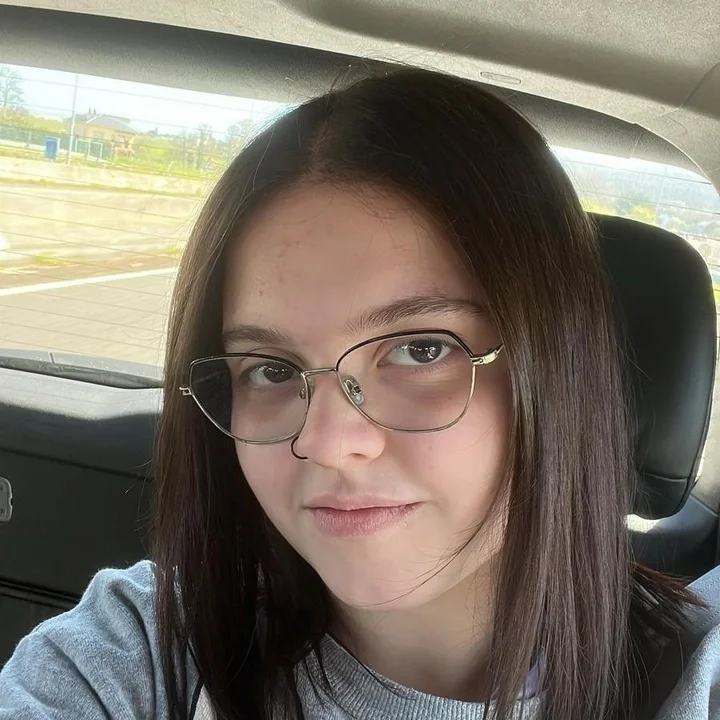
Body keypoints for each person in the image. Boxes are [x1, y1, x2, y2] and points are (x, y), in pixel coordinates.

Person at [1, 67, 719, 720]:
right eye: (272, 369)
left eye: (421, 350)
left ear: (557, 368)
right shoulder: (137, 656)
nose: (324, 442)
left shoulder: (694, 678)